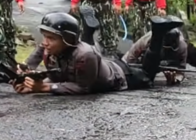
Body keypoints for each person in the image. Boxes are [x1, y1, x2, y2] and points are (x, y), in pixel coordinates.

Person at [12, 13, 182, 95]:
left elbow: (83, 87)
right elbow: (58, 76)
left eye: (51, 38)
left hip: (119, 75)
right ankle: (89, 30)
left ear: (68, 39)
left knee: (147, 76)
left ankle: (158, 33)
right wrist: (31, 81)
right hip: (99, 65)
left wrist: (42, 87)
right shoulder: (51, 50)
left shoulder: (85, 56)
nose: (44, 43)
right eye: (45, 37)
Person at [122, 28, 186, 85]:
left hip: (170, 63)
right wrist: (126, 70)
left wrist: (175, 79)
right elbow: (132, 55)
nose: (167, 51)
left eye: (169, 50)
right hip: (145, 60)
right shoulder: (149, 39)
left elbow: (181, 70)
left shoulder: (182, 47)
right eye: (165, 49)